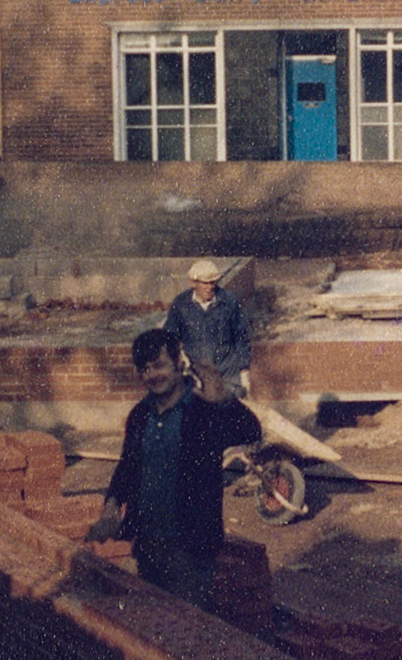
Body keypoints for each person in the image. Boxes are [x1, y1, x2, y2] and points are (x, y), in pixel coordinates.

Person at [86, 329, 262, 611]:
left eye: (159, 365)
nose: (152, 375)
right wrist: (112, 506)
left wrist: (224, 401)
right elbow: (128, 466)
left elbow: (250, 431)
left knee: (187, 630)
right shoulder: (140, 415)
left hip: (190, 549)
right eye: (145, 369)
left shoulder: (202, 412)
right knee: (156, 625)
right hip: (147, 545)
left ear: (179, 365)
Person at [163, 259, 253, 398]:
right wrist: (179, 356)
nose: (209, 287)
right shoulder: (181, 304)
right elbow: (169, 337)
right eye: (205, 283)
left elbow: (241, 337)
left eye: (213, 283)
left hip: (227, 373)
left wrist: (244, 371)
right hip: (196, 375)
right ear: (194, 283)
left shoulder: (229, 302)